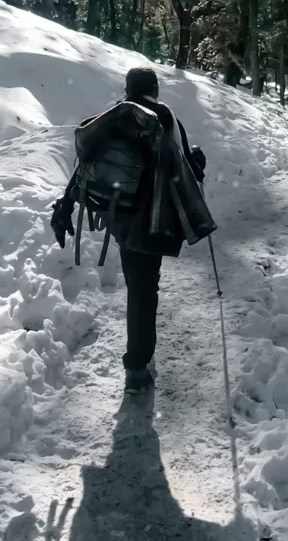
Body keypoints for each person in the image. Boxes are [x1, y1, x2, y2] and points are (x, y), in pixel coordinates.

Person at [52, 67, 211, 394]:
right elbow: (180, 169)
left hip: (119, 216)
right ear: (155, 89)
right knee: (144, 292)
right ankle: (137, 367)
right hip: (150, 221)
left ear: (127, 89)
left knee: (138, 286)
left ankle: (138, 359)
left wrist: (65, 204)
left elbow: (84, 165)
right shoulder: (163, 117)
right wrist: (198, 163)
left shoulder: (113, 117)